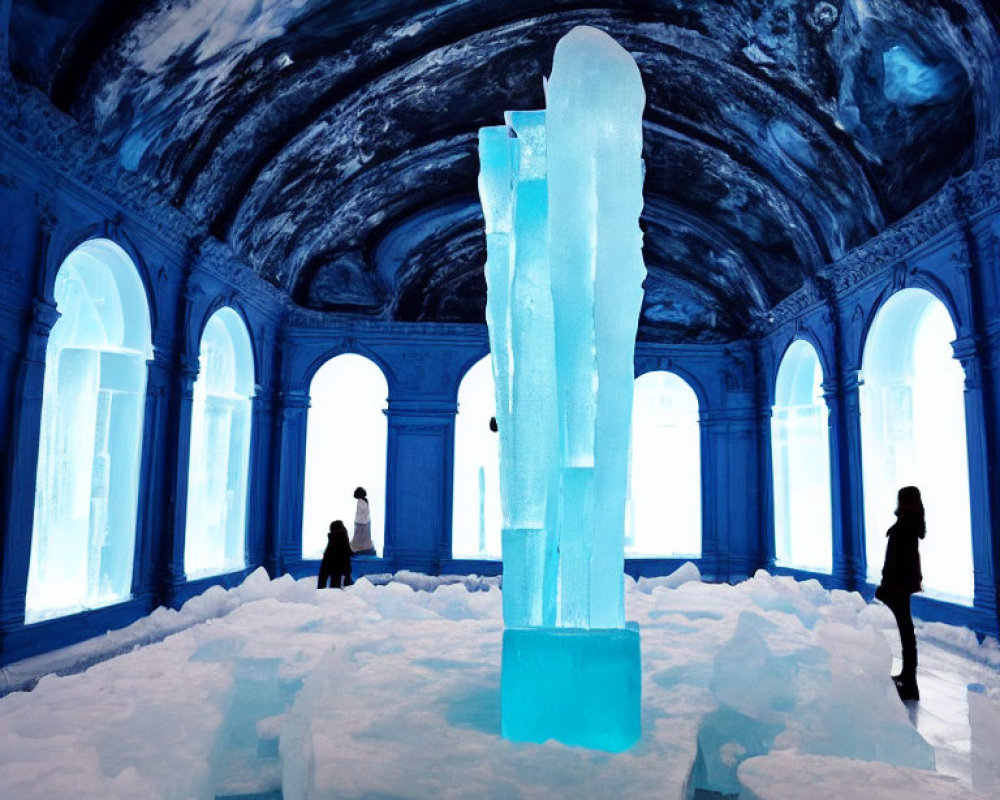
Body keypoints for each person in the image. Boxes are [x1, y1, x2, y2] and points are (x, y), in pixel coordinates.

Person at [875, 485, 925, 701]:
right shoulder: (911, 522)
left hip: (898, 587)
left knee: (906, 632)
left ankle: (909, 683)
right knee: (907, 632)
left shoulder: (905, 525)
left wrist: (887, 585)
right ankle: (907, 677)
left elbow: (897, 561)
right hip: (902, 585)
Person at [318, 520, 353, 589]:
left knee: (334, 583)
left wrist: (321, 586)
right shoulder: (344, 540)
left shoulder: (332, 544)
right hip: (342, 574)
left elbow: (324, 569)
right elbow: (348, 562)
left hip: (334, 571)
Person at [350, 486, 376, 556]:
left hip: (361, 523)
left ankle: (355, 549)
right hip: (365, 522)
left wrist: (356, 522)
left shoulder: (361, 502)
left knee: (358, 537)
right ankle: (363, 547)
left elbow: (360, 513)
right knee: (363, 537)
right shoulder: (365, 500)